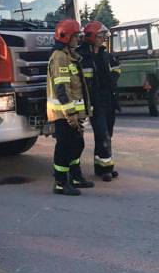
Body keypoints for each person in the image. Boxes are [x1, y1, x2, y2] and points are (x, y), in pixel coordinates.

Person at [47, 19, 94, 195]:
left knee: (77, 144)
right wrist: (71, 113)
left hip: (72, 112)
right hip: (63, 113)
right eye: (76, 36)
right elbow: (62, 89)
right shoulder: (60, 57)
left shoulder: (69, 56)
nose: (79, 39)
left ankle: (75, 176)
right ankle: (60, 182)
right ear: (65, 37)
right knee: (65, 146)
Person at [76, 21, 121, 182]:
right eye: (101, 35)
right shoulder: (81, 56)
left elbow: (117, 68)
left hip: (108, 99)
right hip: (94, 102)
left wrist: (114, 78)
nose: (103, 38)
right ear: (92, 36)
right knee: (102, 134)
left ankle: (101, 167)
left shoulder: (104, 53)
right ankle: (107, 169)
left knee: (108, 133)